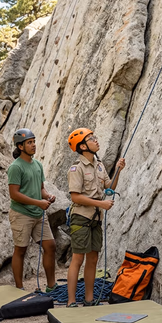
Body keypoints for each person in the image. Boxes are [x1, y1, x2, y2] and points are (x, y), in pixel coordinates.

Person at [65, 128, 125, 307]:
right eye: (91, 139)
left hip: (95, 220)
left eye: (95, 137)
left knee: (93, 258)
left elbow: (110, 186)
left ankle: (89, 299)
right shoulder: (77, 168)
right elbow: (75, 197)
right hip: (81, 218)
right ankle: (71, 301)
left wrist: (118, 170)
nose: (96, 141)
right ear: (82, 146)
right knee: (78, 258)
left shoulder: (99, 165)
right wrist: (101, 205)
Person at [7, 128, 58, 292]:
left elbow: (41, 188)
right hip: (21, 214)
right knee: (20, 250)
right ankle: (19, 288)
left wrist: (48, 196)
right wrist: (38, 203)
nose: (33, 145)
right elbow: (14, 194)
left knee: (50, 246)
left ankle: (51, 286)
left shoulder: (37, 165)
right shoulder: (16, 167)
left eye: (34, 141)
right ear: (20, 146)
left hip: (38, 214)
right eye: (29, 142)